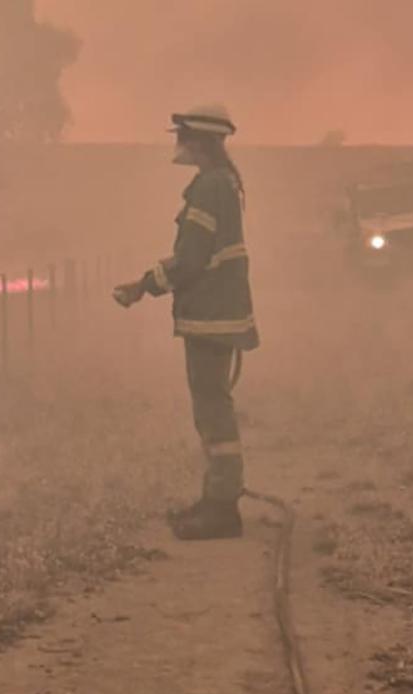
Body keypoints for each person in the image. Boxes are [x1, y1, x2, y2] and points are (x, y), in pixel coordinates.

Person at [112, 103, 260, 541]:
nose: (179, 144)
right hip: (218, 312)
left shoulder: (209, 187)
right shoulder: (221, 184)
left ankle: (221, 510)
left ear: (201, 142)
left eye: (184, 137)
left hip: (210, 315)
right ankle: (216, 499)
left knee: (212, 411)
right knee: (213, 407)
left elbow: (191, 258)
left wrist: (143, 285)